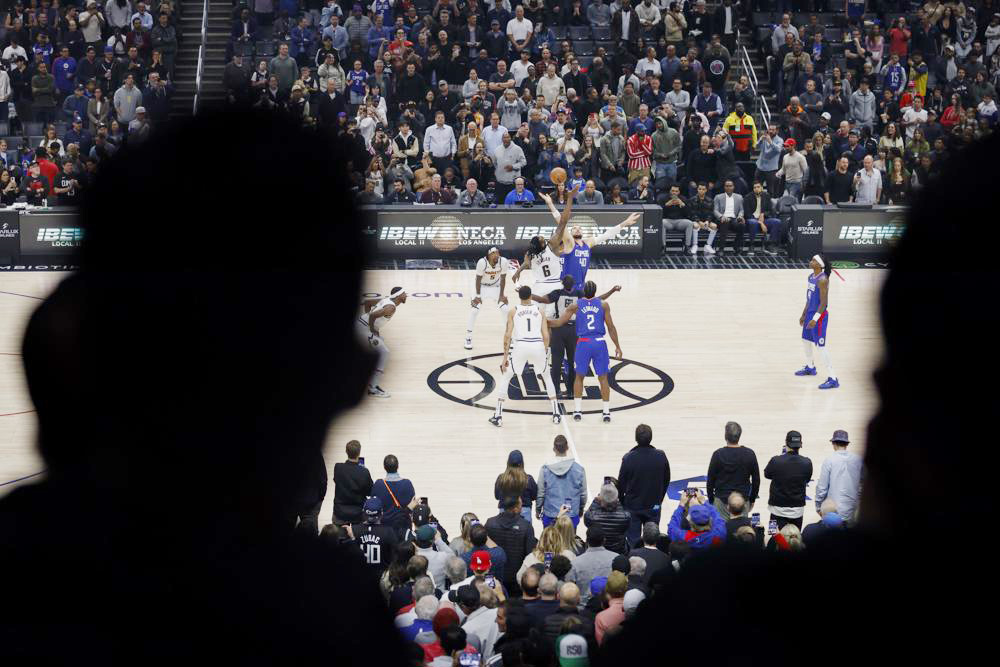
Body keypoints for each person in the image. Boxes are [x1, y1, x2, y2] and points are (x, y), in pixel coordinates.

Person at [548, 280, 624, 423]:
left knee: (579, 377)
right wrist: (617, 346)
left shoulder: (576, 305)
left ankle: (577, 411)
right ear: (595, 292)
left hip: (583, 343)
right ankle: (606, 412)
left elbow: (559, 322)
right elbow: (611, 327)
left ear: (584, 292)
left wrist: (544, 321)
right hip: (599, 342)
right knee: (603, 378)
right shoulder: (603, 304)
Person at [489, 285, 560, 426]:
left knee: (507, 376)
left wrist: (505, 358)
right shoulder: (539, 311)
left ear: (519, 296)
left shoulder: (513, 311)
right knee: (547, 376)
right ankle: (556, 414)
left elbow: (507, 336)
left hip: (521, 345)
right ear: (530, 296)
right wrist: (544, 351)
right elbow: (546, 335)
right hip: (537, 345)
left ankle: (498, 415)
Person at [617, 424, 670, 548]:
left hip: (632, 506)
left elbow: (621, 484)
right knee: (652, 540)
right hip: (654, 505)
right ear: (651, 438)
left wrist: (623, 502)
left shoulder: (628, 458)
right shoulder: (661, 456)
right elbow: (666, 480)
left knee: (633, 542)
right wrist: (659, 500)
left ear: (636, 438)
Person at [795, 253, 838, 389]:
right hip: (810, 313)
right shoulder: (810, 276)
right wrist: (804, 314)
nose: (811, 261)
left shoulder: (823, 279)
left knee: (820, 346)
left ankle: (833, 378)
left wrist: (815, 319)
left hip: (819, 317)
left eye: (814, 260)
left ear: (820, 265)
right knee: (805, 340)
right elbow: (809, 298)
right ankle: (810, 367)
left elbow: (824, 303)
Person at [357, 286, 407, 397]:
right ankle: (373, 388)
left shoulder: (386, 299)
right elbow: (373, 315)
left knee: (379, 344)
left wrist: (372, 326)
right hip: (364, 329)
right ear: (398, 295)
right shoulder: (391, 307)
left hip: (361, 324)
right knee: (384, 353)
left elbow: (367, 302)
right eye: (404, 293)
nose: (406, 295)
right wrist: (372, 329)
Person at [706, 422, 760, 520]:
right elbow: (756, 480)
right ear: (739, 435)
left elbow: (710, 480)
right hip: (742, 501)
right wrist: (752, 499)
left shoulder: (718, 454)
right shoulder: (750, 454)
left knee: (721, 528)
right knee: (740, 528)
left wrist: (711, 499)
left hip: (721, 500)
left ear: (725, 436)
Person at [485, 496, 536, 595]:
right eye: (521, 505)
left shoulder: (490, 523)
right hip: (516, 577)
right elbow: (530, 554)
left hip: (495, 575)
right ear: (515, 508)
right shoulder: (526, 526)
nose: (522, 508)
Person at [763, 431, 813, 530]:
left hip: (776, 510)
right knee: (795, 537)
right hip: (797, 511)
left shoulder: (776, 460)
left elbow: (767, 475)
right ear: (800, 445)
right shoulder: (807, 462)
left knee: (774, 536)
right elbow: (807, 479)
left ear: (786, 443)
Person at [536, 435, 588, 528]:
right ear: (567, 448)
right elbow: (583, 494)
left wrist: (538, 510)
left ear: (554, 449)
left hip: (550, 515)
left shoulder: (545, 469)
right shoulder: (579, 469)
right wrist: (580, 509)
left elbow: (541, 493)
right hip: (571, 515)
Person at [815, 430, 863, 524]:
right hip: (852, 512)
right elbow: (862, 486)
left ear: (833, 443)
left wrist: (819, 507)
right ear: (847, 444)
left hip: (833, 514)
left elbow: (822, 488)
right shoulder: (857, 460)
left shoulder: (829, 460)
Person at [349, 496, 401, 575]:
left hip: (359, 576)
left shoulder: (352, 530)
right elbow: (395, 556)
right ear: (381, 513)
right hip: (381, 577)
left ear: (364, 512)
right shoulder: (389, 532)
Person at [370, 454, 418, 535]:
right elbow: (413, 507)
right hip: (404, 529)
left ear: (384, 467)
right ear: (398, 466)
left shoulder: (378, 484)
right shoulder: (407, 484)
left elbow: (373, 506)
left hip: (384, 529)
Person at [573, 525, 618, 605]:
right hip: (609, 604)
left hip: (583, 606)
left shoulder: (576, 562)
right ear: (604, 540)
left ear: (587, 541)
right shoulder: (616, 558)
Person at [333, 439, 373, 525]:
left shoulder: (338, 467)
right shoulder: (364, 472)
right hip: (358, 513)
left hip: (340, 512)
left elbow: (336, 481)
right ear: (359, 453)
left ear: (346, 452)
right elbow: (369, 492)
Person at [584, 484, 631, 555]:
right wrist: (617, 502)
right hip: (618, 552)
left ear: (600, 499)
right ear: (616, 499)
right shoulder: (625, 517)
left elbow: (587, 517)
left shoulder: (591, 517)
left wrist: (595, 501)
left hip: (598, 552)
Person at [495, 450, 538, 523]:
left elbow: (497, 496)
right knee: (525, 530)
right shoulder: (528, 479)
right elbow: (534, 496)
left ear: (508, 462)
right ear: (522, 463)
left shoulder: (501, 478)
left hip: (505, 511)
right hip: (524, 512)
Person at [744, 181, 784, 255]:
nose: (756, 189)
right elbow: (747, 214)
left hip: (764, 219)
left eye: (758, 187)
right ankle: (751, 245)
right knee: (753, 222)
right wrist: (760, 222)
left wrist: (763, 214)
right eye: (754, 187)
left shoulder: (766, 196)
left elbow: (770, 211)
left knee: (777, 222)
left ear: (762, 188)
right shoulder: (747, 197)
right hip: (752, 219)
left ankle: (770, 244)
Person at [712, 179, 746, 256]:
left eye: (730, 186)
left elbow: (741, 210)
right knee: (725, 223)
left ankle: (737, 247)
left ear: (733, 187)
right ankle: (721, 249)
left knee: (742, 225)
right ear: (724, 187)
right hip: (722, 219)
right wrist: (721, 216)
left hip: (734, 219)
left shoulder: (739, 197)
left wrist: (740, 216)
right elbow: (715, 210)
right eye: (727, 186)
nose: (728, 188)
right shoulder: (718, 197)